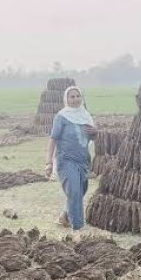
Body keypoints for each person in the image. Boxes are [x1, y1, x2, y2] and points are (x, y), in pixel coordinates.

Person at [46, 86, 97, 231]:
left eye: (77, 96)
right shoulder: (61, 117)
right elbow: (53, 140)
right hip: (66, 160)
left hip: (83, 160)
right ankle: (77, 229)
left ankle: (64, 216)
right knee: (74, 192)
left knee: (80, 192)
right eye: (72, 97)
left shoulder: (86, 116)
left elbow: (91, 138)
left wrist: (96, 132)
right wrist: (48, 163)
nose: (75, 99)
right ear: (66, 99)